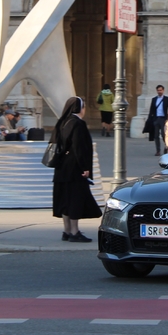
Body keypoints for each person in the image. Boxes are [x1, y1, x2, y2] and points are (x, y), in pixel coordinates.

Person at [51, 97, 102, 243]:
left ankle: (66, 231)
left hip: (61, 167)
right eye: (83, 106)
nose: (84, 109)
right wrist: (85, 167)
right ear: (79, 108)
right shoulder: (78, 124)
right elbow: (79, 148)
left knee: (65, 199)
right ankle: (74, 231)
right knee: (75, 200)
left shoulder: (62, 122)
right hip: (74, 168)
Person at [147, 85, 168, 156]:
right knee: (156, 135)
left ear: (163, 90)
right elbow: (151, 110)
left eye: (161, 90)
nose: (159, 92)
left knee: (164, 135)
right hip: (156, 118)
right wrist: (150, 119)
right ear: (156, 91)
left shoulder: (167, 99)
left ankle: (166, 147)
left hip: (163, 119)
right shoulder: (154, 99)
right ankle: (158, 150)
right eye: (158, 90)